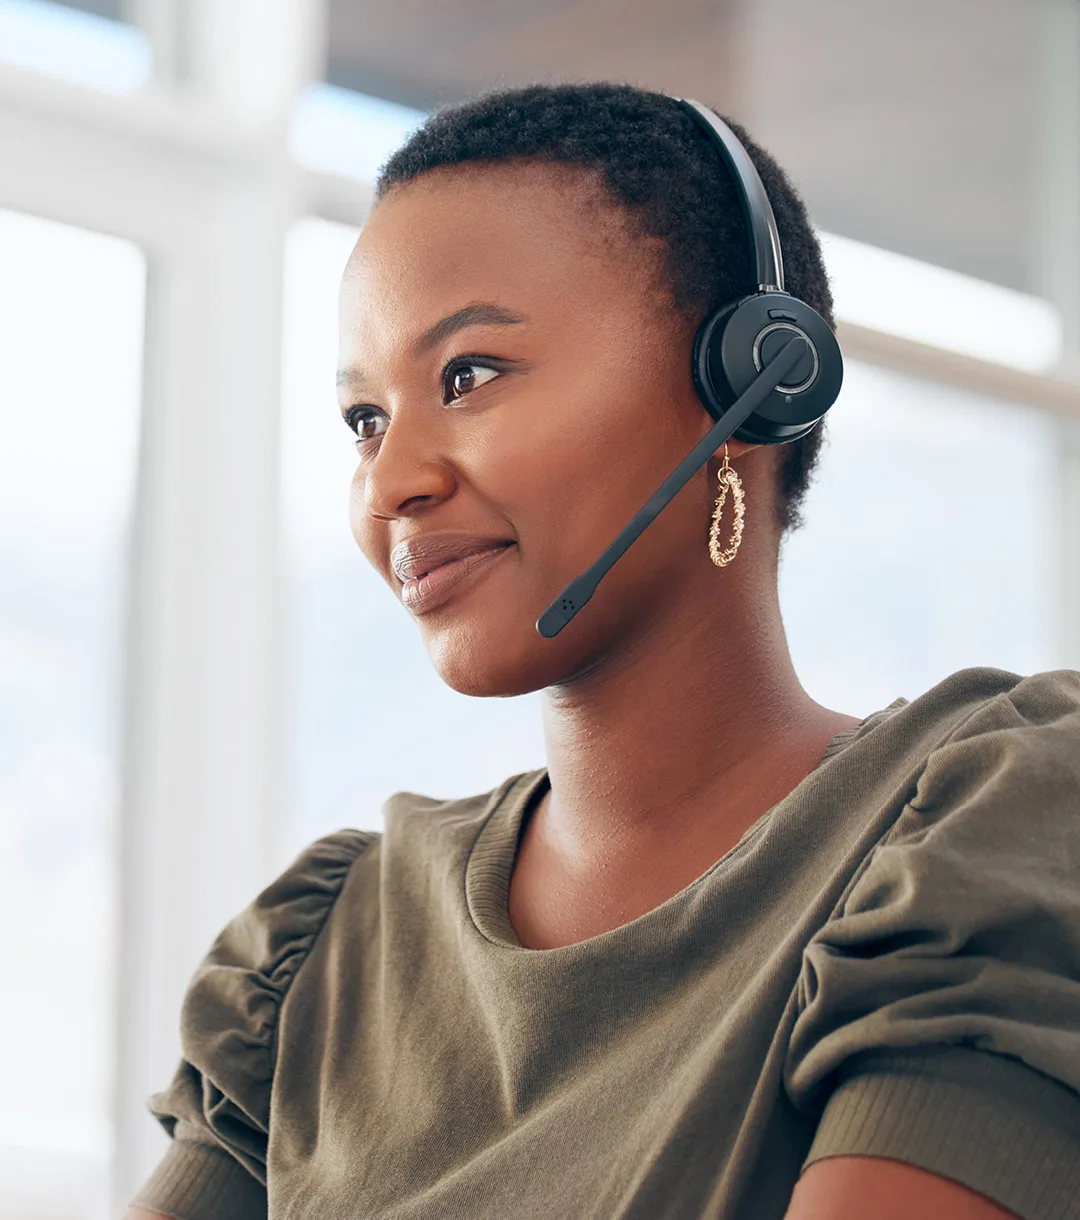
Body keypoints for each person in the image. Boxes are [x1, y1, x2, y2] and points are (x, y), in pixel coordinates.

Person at [126, 83, 1080, 1220]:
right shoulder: (322, 950)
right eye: (365, 420)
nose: (391, 482)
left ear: (753, 377)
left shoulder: (980, 844)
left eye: (468, 375)